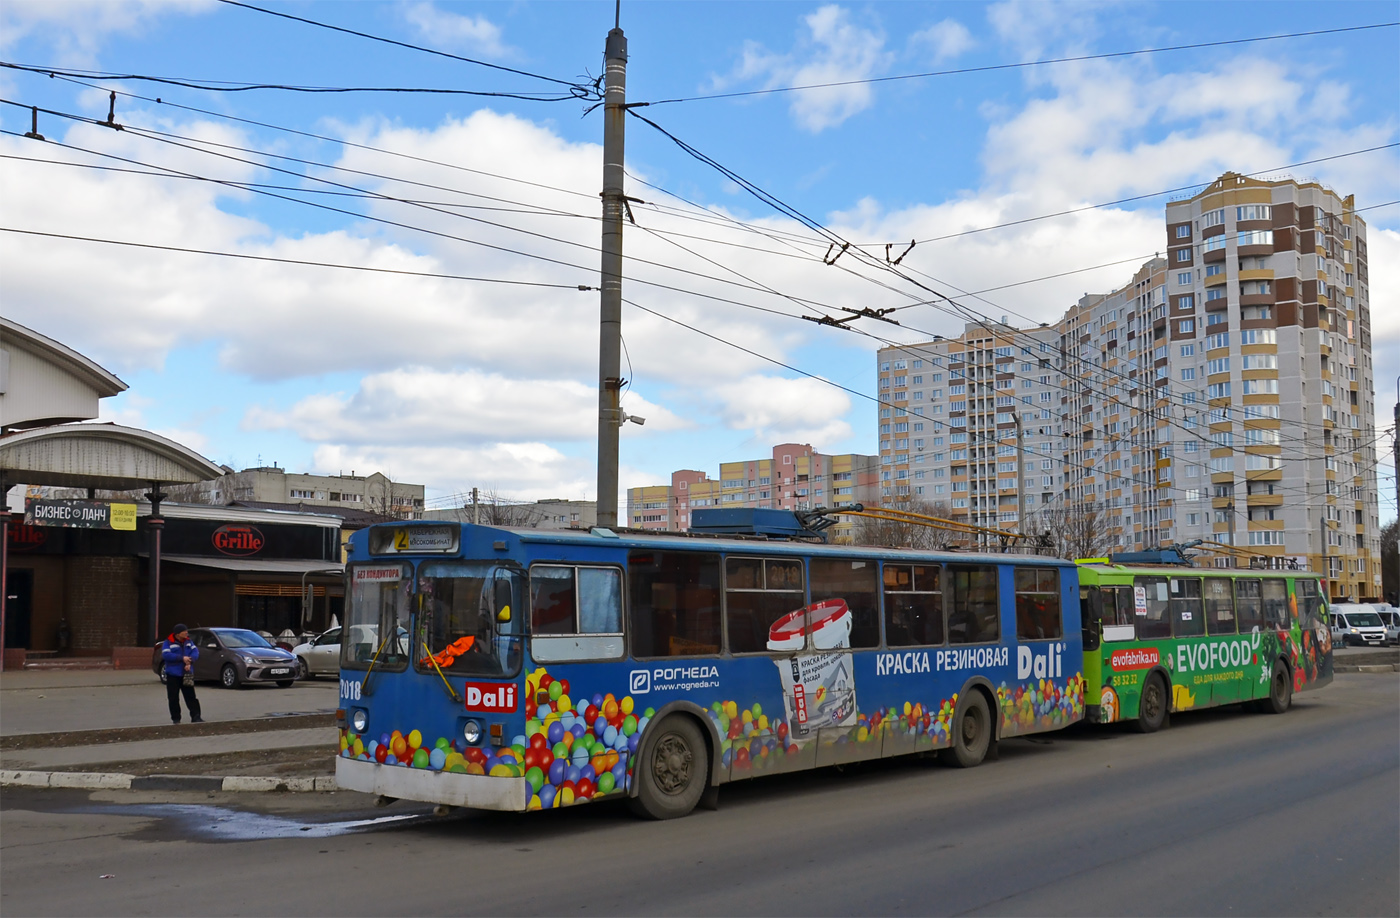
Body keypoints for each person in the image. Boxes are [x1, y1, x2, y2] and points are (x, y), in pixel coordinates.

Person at [161, 624, 203, 724]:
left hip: (186, 674)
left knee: (191, 696)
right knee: (173, 698)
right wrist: (181, 658)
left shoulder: (189, 641)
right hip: (173, 675)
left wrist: (190, 661)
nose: (186, 633)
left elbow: (195, 652)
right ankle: (176, 719)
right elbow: (166, 655)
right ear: (178, 634)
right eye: (184, 631)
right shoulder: (168, 643)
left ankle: (196, 717)